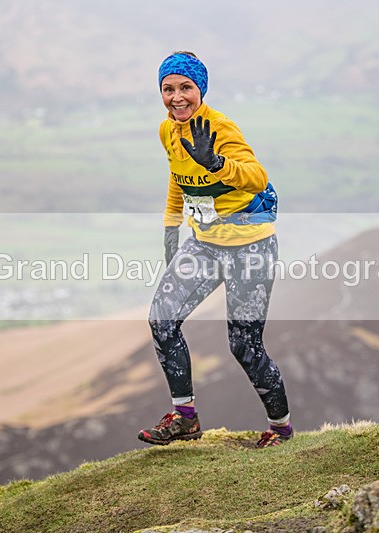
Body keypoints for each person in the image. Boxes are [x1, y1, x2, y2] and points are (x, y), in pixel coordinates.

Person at [138, 51, 292, 448]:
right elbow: (179, 176)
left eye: (185, 87)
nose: (176, 97)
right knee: (162, 319)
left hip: (250, 247)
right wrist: (171, 227)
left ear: (200, 89)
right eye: (168, 89)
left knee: (244, 346)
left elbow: (257, 177)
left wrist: (217, 162)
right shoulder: (168, 130)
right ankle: (185, 418)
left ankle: (281, 430)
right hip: (204, 244)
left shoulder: (219, 127)